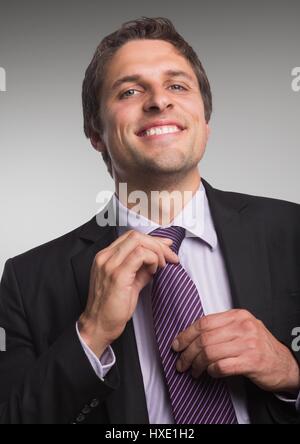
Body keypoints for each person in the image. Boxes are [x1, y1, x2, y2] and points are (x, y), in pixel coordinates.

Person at [0, 17, 299, 425]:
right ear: (95, 132)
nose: (160, 101)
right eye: (130, 90)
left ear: (205, 123)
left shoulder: (292, 231)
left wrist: (290, 373)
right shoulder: (26, 281)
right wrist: (89, 334)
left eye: (177, 86)